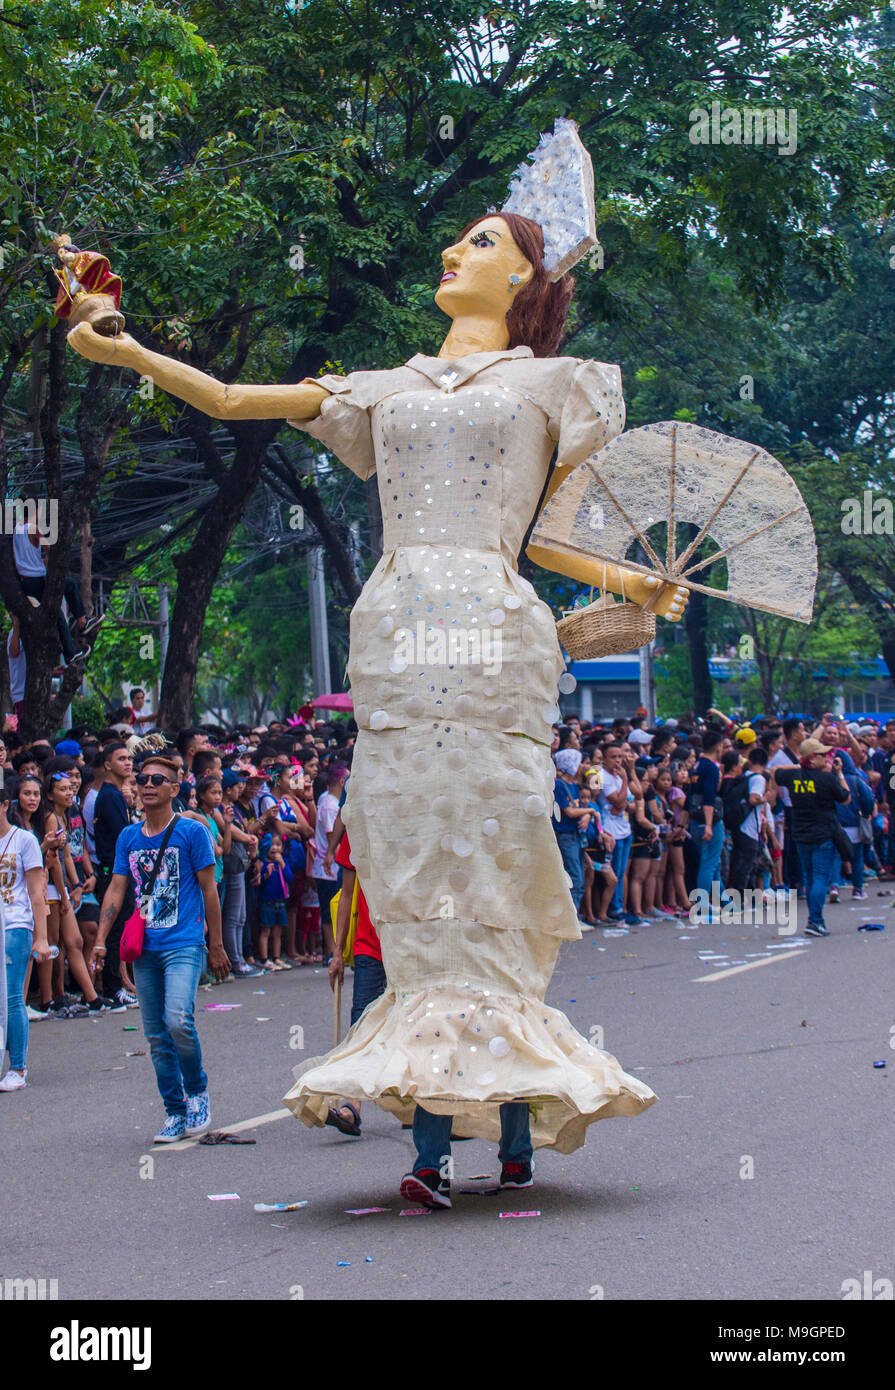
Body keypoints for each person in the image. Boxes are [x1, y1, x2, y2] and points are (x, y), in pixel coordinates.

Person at [70, 201, 690, 1203]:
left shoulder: (560, 386)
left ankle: (511, 1128)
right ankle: (435, 1145)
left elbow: (549, 540)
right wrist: (126, 348)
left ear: (532, 280)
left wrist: (632, 589)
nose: (454, 251)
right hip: (397, 636)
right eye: (456, 238)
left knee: (489, 886)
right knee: (413, 896)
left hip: (492, 637)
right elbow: (231, 399)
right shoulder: (379, 387)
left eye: (484, 242)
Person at [92, 755, 229, 1141]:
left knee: (177, 1021)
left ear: (174, 788)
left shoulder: (191, 833)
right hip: (144, 949)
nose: (147, 784)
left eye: (157, 779)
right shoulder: (128, 838)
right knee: (155, 1036)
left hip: (184, 943)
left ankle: (197, 1091)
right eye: (142, 779)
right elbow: (117, 888)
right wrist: (102, 940)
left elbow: (209, 890)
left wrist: (214, 944)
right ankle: (174, 1110)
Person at [0, 777, 52, 1090]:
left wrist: (41, 937)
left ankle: (17, 1068)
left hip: (15, 924)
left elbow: (36, 891)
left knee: (11, 997)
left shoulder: (24, 841)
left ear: (6, 805)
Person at [772, 738, 850, 937]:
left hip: (801, 834)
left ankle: (815, 920)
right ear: (812, 759)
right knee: (820, 878)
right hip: (823, 835)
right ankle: (815, 921)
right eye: (822, 755)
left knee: (809, 878)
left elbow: (774, 770)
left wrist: (798, 765)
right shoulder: (827, 779)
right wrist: (839, 773)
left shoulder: (792, 777)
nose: (827, 759)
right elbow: (846, 798)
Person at [93, 741, 137, 1008]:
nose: (127, 762)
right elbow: (125, 834)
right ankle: (112, 988)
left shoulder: (116, 794)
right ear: (108, 764)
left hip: (120, 870)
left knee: (120, 929)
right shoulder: (109, 795)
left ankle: (118, 984)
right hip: (112, 873)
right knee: (114, 931)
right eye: (121, 759)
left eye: (128, 758)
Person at [687, 730, 725, 920]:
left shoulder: (695, 766)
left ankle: (724, 900)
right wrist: (709, 824)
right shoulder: (710, 767)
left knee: (713, 862)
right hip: (709, 821)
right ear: (718, 746)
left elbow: (690, 796)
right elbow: (709, 797)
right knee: (709, 863)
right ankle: (702, 903)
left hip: (695, 820)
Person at [597, 743, 634, 921]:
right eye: (613, 757)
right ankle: (614, 909)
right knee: (615, 873)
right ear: (604, 759)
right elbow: (618, 801)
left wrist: (624, 803)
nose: (618, 761)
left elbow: (634, 801)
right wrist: (625, 780)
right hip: (611, 832)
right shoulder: (601, 776)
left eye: (620, 756)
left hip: (625, 830)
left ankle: (621, 906)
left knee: (621, 872)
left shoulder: (618, 776)